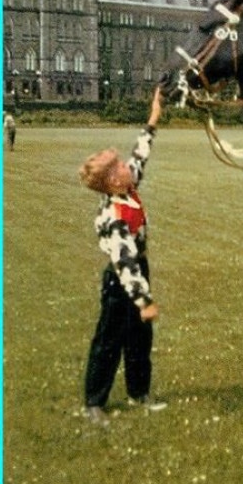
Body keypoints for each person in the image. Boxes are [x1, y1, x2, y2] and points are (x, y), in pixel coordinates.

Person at [79, 86, 166, 425]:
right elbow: (125, 263)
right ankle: (94, 401)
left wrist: (154, 115)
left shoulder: (128, 189)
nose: (127, 166)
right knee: (108, 340)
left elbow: (140, 154)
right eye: (119, 167)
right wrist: (143, 301)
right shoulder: (114, 217)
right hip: (120, 282)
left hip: (136, 272)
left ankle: (139, 392)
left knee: (140, 338)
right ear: (112, 181)